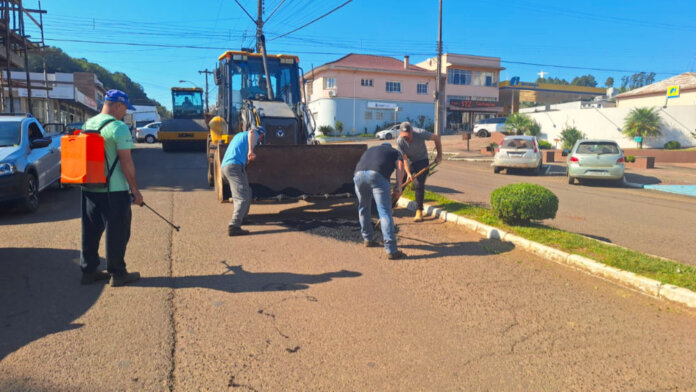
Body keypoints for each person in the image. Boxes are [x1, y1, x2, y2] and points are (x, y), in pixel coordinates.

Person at [80, 89, 142, 287]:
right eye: (125, 108)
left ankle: (89, 271)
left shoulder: (88, 124)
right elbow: (126, 162)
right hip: (113, 190)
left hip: (89, 187)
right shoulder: (118, 128)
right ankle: (118, 273)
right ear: (117, 105)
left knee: (90, 230)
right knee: (117, 232)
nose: (125, 113)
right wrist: (135, 190)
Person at [353, 143, 407, 260]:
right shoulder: (395, 152)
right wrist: (398, 186)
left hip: (358, 175)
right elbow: (400, 166)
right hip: (377, 175)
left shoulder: (372, 149)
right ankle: (391, 250)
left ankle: (367, 239)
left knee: (363, 208)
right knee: (384, 212)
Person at [221, 126, 266, 236]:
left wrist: (249, 159)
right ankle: (234, 225)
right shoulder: (253, 134)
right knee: (242, 196)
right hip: (234, 166)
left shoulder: (238, 136)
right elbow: (252, 132)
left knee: (247, 191)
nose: (260, 140)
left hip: (227, 167)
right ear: (260, 134)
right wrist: (251, 151)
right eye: (261, 138)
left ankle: (243, 217)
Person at [396, 121, 442, 222]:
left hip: (422, 160)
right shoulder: (400, 141)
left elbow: (436, 138)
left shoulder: (420, 133)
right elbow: (404, 159)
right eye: (404, 136)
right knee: (400, 182)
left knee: (418, 184)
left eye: (407, 136)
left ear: (412, 131)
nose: (406, 138)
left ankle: (419, 211)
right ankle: (391, 204)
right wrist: (408, 173)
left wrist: (439, 155)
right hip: (409, 161)